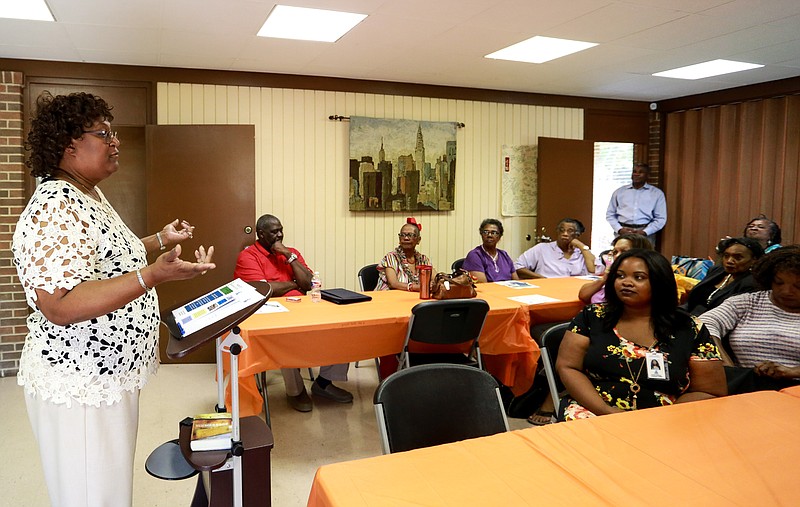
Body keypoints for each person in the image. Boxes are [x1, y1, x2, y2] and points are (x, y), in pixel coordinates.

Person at [11, 91, 216, 507]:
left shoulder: (87, 194)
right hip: (80, 382)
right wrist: (152, 275)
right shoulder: (54, 206)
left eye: (114, 132)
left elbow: (104, 259)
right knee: (91, 495)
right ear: (69, 144)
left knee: (106, 490)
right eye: (104, 134)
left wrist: (158, 241)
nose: (115, 142)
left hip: (107, 374)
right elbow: (60, 303)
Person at [556, 250, 727, 420]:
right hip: (595, 409)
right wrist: (606, 411)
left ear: (660, 282)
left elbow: (710, 390)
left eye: (639, 277)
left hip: (666, 417)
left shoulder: (689, 327)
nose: (626, 283)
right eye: (620, 276)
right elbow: (568, 367)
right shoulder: (593, 316)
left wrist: (663, 419)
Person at [234, 214, 352, 412]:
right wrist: (293, 283)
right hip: (269, 314)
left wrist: (289, 257)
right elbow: (262, 290)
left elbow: (308, 284)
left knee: (340, 327)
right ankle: (296, 392)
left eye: (281, 229)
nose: (280, 234)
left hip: (302, 308)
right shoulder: (248, 256)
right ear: (261, 234)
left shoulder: (291, 252)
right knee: (283, 337)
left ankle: (324, 383)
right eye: (274, 232)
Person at [699, 246, 800, 393]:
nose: (786, 291)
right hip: (744, 389)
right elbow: (704, 324)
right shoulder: (748, 302)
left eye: (798, 286)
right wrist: (725, 365)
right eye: (779, 283)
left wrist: (790, 371)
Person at [684, 237, 763, 316]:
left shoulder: (752, 283)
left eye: (738, 257)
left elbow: (733, 314)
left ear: (754, 260)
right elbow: (692, 301)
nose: (729, 261)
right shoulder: (717, 270)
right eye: (726, 256)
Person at [578, 234, 653, 305]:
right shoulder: (612, 275)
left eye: (624, 251)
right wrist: (604, 279)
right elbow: (583, 296)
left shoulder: (647, 278)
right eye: (615, 252)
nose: (617, 256)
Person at [606, 162, 667, 246]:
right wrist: (620, 230)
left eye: (640, 172)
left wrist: (645, 232)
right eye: (634, 171)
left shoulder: (656, 193)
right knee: (622, 257)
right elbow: (610, 214)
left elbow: (660, 218)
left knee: (644, 258)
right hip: (623, 232)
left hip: (645, 234)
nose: (636, 174)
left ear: (647, 175)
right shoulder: (619, 192)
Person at [515, 218, 595, 279]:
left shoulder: (582, 253)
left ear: (577, 235)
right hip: (546, 289)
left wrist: (581, 245)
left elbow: (596, 270)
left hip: (575, 291)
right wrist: (541, 279)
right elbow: (517, 266)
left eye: (570, 231)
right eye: (562, 230)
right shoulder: (542, 248)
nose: (565, 234)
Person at [375, 217, 433, 291]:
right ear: (399, 239)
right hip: (388, 298)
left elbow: (435, 277)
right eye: (403, 235)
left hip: (412, 299)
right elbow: (393, 284)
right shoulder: (391, 257)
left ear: (418, 240)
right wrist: (418, 287)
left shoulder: (423, 259)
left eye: (410, 235)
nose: (406, 238)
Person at [462, 218, 518, 283]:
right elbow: (482, 285)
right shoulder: (475, 255)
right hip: (489, 292)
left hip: (509, 291)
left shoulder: (504, 255)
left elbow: (516, 281)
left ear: (499, 237)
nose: (489, 235)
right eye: (486, 232)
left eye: (494, 233)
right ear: (481, 235)